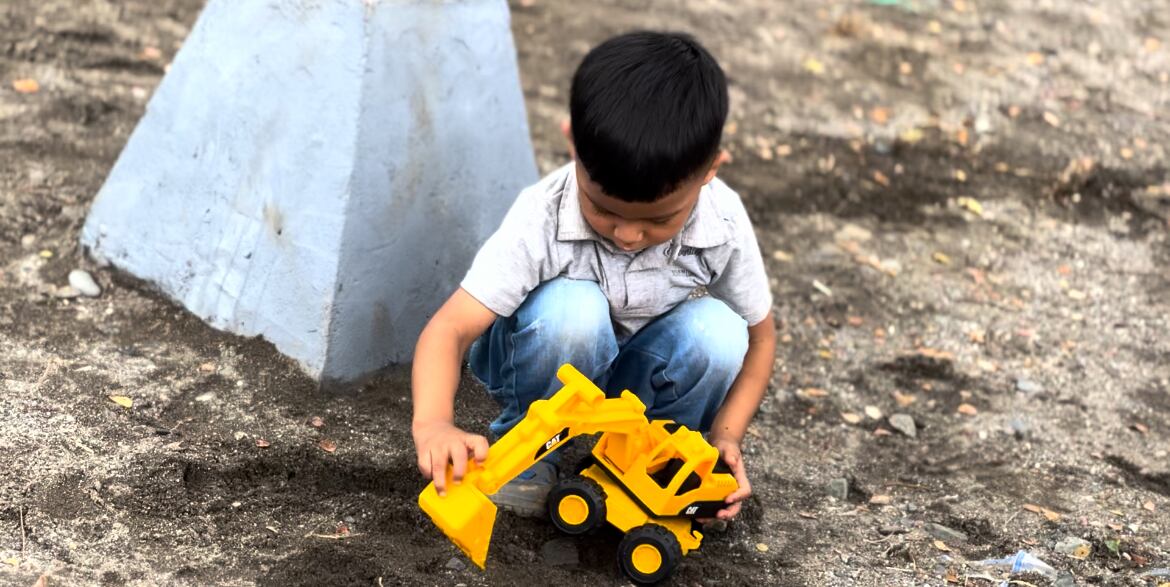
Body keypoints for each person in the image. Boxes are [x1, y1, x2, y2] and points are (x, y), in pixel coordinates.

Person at [411, 30, 775, 520]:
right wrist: (434, 423)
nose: (627, 234)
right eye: (603, 209)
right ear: (573, 146)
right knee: (574, 311)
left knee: (721, 330)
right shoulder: (542, 215)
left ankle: (661, 463)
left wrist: (724, 439)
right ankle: (530, 454)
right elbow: (449, 328)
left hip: (633, 380)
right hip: (547, 360)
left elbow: (760, 340)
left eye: (658, 220)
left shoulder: (723, 223)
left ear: (710, 169)